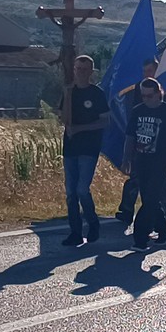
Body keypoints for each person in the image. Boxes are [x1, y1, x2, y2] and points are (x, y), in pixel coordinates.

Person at [122, 78, 166, 251]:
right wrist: (126, 159)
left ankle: (140, 238)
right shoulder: (137, 111)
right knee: (149, 198)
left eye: (149, 96)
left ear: (159, 94)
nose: (146, 99)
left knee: (151, 197)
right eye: (143, 96)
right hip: (141, 159)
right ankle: (163, 230)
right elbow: (130, 136)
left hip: (160, 159)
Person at [59, 55, 108, 246]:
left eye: (84, 69)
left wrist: (81, 128)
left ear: (91, 72)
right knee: (71, 192)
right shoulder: (69, 92)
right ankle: (75, 232)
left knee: (82, 189)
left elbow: (105, 121)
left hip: (89, 147)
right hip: (70, 148)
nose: (80, 72)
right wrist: (68, 96)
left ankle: (93, 223)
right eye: (78, 69)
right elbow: (64, 120)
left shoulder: (97, 93)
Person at [115, 58, 159, 226]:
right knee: (134, 178)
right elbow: (133, 114)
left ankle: (163, 213)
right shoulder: (138, 90)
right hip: (140, 142)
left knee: (160, 183)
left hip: (158, 146)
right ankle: (126, 211)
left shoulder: (164, 88)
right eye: (144, 71)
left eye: (150, 71)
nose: (147, 74)